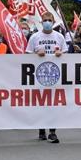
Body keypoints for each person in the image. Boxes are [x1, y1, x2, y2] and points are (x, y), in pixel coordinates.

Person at [26, 12, 67, 143]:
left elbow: (67, 56)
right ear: (41, 22)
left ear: (53, 21)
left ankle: (52, 131)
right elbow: (26, 56)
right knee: (40, 103)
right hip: (39, 76)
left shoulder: (59, 37)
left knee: (53, 104)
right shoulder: (34, 37)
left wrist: (60, 54)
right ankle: (41, 129)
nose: (47, 22)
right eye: (45, 20)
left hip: (55, 76)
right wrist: (36, 54)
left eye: (50, 20)